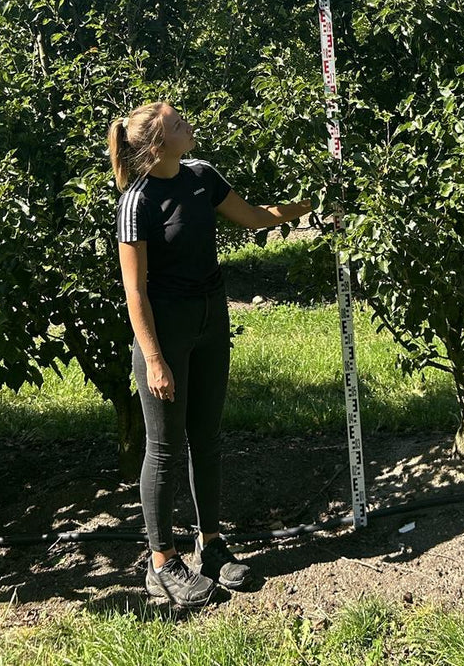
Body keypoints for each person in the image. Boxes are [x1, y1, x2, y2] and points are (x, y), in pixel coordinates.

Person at [109, 100, 311, 609]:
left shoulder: (201, 175)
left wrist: (309, 203)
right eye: (178, 124)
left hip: (211, 321)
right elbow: (135, 292)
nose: (189, 124)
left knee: (207, 439)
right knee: (164, 448)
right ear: (157, 147)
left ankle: (212, 546)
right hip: (166, 331)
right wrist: (154, 359)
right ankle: (162, 562)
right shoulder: (137, 202)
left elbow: (253, 218)